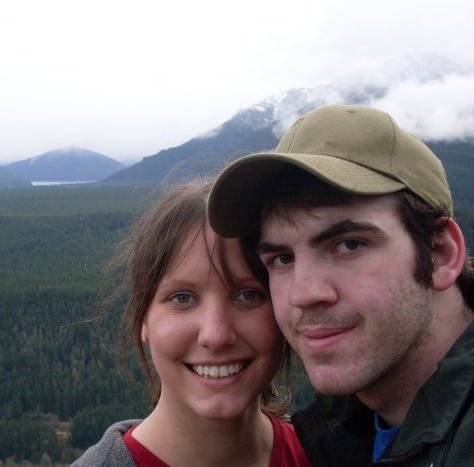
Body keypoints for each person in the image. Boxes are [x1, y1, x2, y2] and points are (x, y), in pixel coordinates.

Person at [207, 104, 474, 466]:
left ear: (440, 255)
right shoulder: (335, 434)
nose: (304, 294)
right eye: (282, 258)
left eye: (349, 244)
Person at [71, 181, 310, 466]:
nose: (216, 334)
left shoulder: (330, 454)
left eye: (248, 295)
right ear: (143, 319)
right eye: (182, 298)